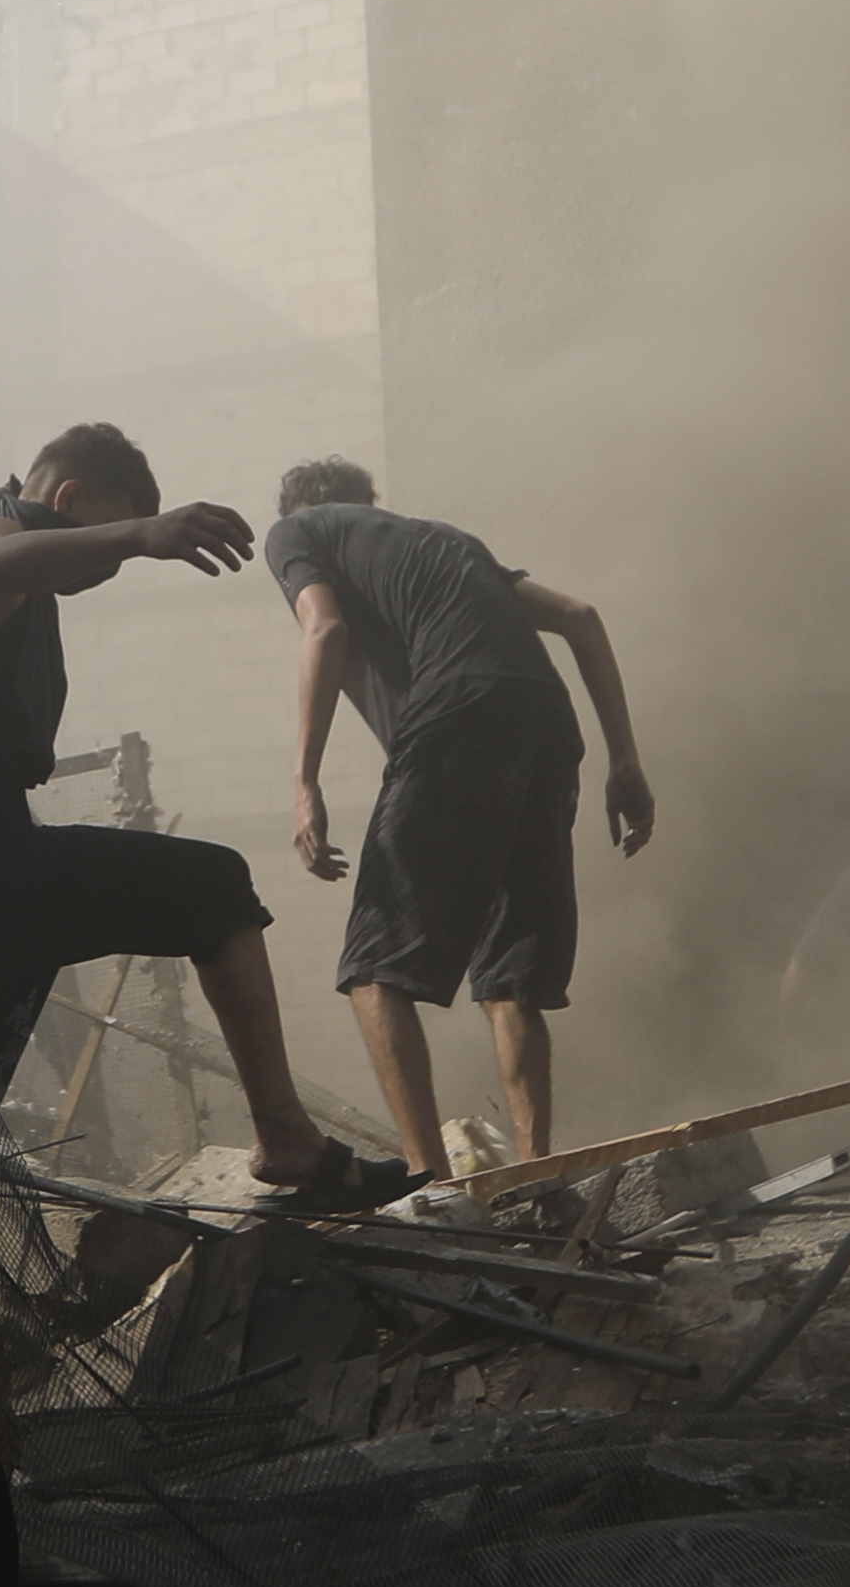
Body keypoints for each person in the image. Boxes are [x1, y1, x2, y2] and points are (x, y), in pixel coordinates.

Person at [0, 421, 399, 1205]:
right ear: (68, 497)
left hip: (5, 863)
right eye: (104, 543)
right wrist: (143, 534)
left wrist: (126, 538)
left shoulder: (24, 562)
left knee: (214, 889)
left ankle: (285, 1136)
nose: (108, 568)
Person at [270, 455, 654, 1179]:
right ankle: (536, 1173)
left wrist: (303, 782)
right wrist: (625, 761)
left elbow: (323, 631)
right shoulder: (446, 542)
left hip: (458, 722)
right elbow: (579, 616)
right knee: (510, 975)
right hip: (546, 729)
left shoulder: (298, 531)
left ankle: (429, 1181)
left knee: (372, 969)